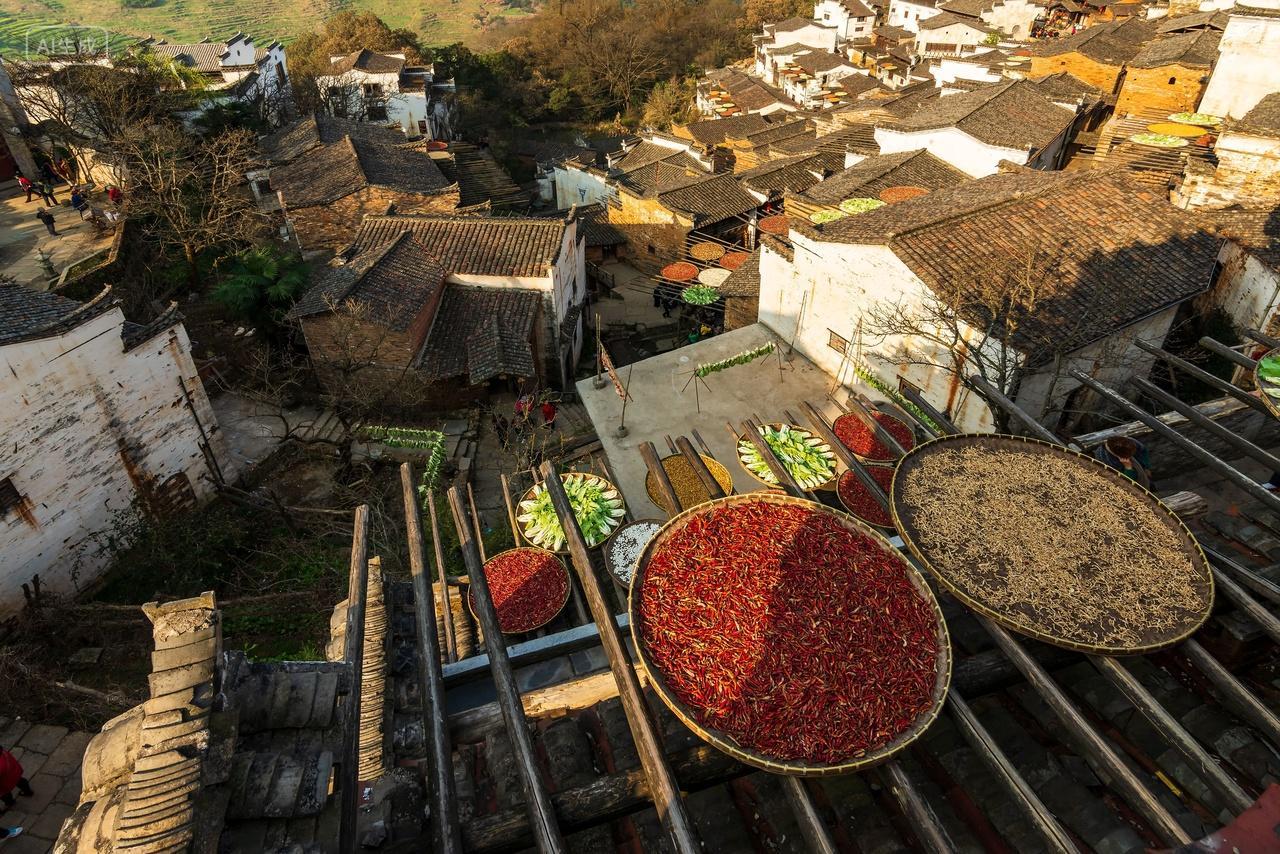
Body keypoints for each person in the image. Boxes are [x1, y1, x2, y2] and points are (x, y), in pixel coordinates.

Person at [0, 745, 32, 810]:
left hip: (5, 781)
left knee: (4, 794)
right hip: (15, 771)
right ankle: (28, 792)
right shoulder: (3, 752)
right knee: (21, 781)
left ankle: (10, 803)